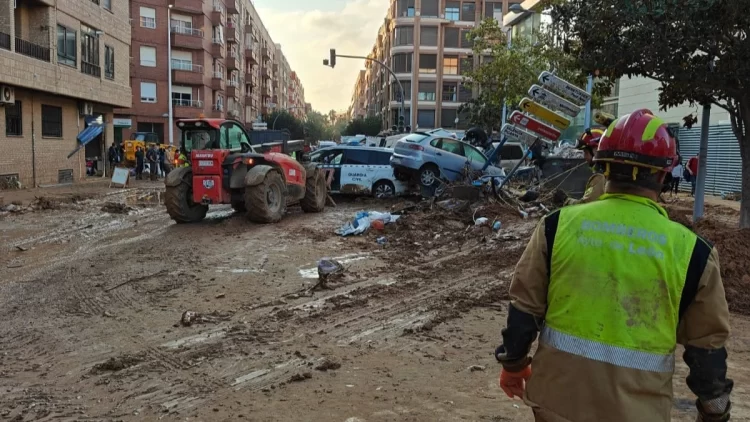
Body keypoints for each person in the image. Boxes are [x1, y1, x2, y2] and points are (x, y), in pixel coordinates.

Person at [495, 109, 732, 422]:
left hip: (556, 402)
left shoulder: (555, 227)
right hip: (637, 411)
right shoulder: (694, 253)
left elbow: (524, 309)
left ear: (602, 166)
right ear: (663, 174)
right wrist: (714, 410)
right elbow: (707, 351)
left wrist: (513, 365)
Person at [553, 128, 606, 206]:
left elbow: (586, 206)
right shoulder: (608, 174)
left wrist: (565, 200)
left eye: (586, 152)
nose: (585, 157)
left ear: (596, 150)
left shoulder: (600, 178)